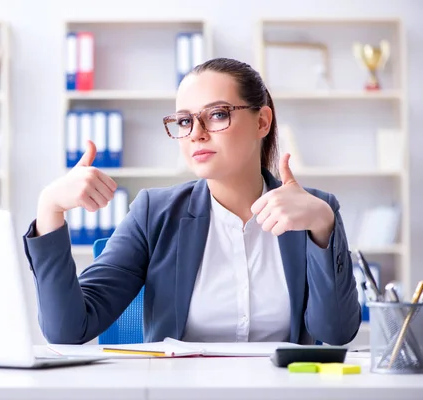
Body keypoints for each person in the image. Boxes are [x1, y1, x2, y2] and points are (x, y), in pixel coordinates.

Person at [23, 57, 361, 346]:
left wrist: (322, 225)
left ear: (262, 121)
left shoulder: (312, 211)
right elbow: (67, 330)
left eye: (216, 115)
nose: (196, 132)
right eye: (184, 120)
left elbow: (336, 332)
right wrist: (49, 208)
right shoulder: (153, 213)